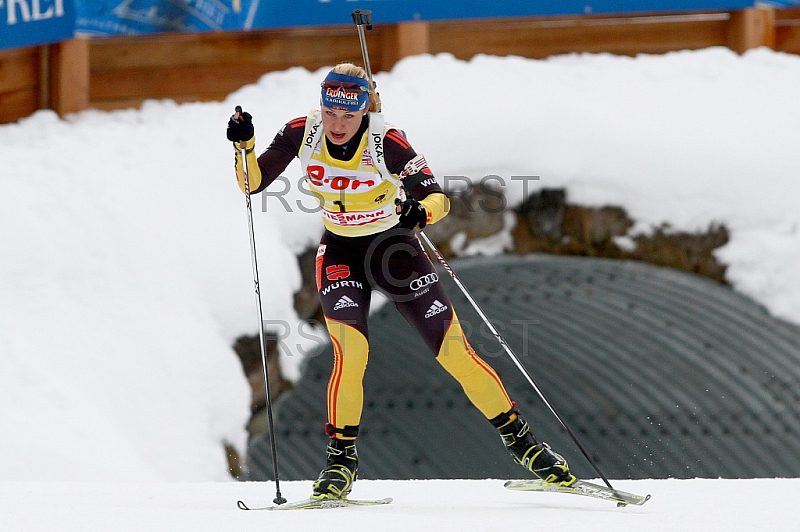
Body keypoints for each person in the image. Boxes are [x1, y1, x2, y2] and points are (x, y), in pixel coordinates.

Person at [226, 62, 576, 500]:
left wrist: (420, 211)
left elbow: (437, 198)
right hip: (341, 254)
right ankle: (340, 463)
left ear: (364, 110)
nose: (336, 125)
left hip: (395, 252)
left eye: (347, 115)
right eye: (329, 113)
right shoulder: (302, 131)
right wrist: (244, 144)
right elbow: (251, 183)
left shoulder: (385, 141)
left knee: (455, 352)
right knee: (350, 355)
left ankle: (527, 448)